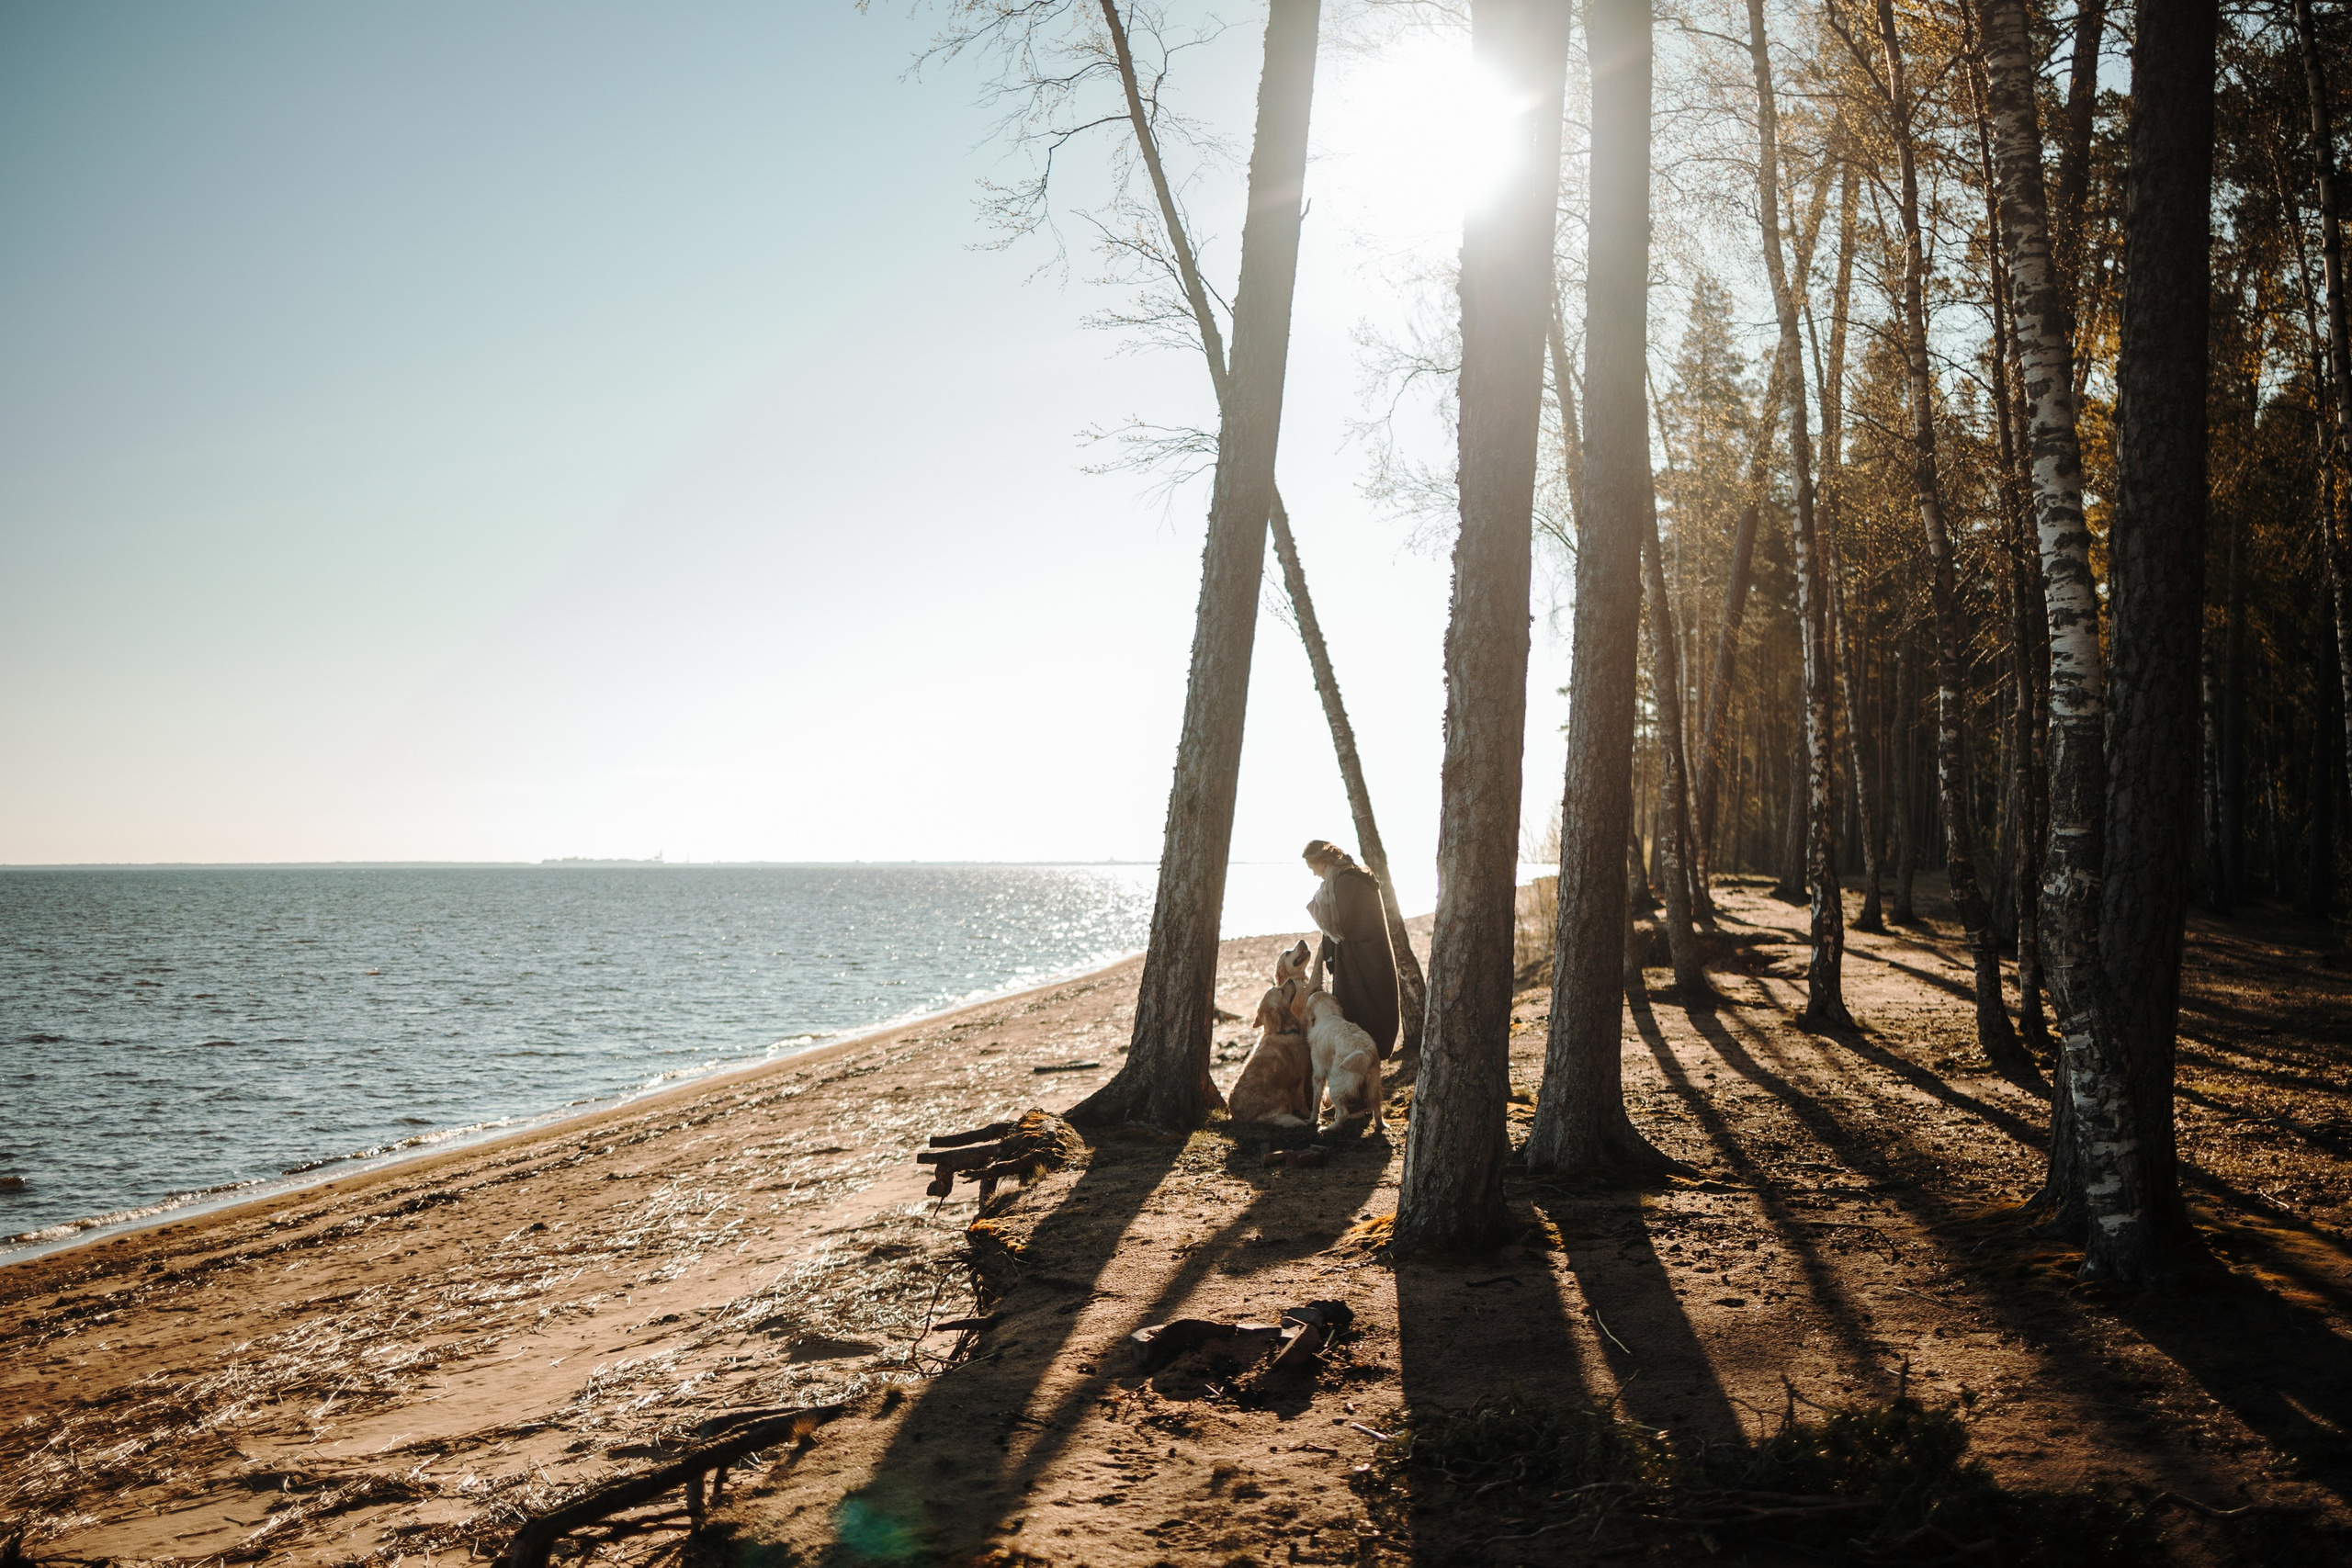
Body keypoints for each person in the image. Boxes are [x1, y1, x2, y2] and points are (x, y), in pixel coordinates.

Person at [1302, 839, 1401, 1058]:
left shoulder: (1347, 881)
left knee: (1367, 1009)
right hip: (1357, 957)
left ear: (1323, 863)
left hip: (1364, 959)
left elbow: (1340, 924)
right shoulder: (1344, 878)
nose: (1315, 874)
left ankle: (1365, 1059)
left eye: (1313, 868)